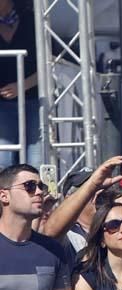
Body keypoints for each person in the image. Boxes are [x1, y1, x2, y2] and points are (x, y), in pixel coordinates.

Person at [0, 0, 41, 167]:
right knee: (3, 161)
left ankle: (37, 192)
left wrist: (22, 86)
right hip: (2, 104)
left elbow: (50, 64)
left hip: (34, 101)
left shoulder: (33, 20)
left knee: (36, 159)